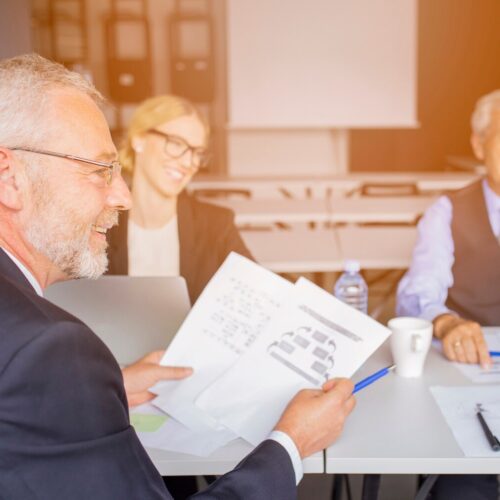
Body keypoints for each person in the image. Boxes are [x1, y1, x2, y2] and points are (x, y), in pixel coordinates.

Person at [0, 53, 356, 499]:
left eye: (197, 152)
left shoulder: (209, 222)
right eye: (97, 170)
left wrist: (106, 387)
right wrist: (291, 443)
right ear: (9, 178)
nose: (121, 197)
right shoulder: (50, 350)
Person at [397, 90, 500, 499]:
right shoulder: (448, 211)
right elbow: (416, 292)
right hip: (466, 377)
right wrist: (447, 321)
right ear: (478, 144)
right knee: (460, 489)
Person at [107, 94, 253, 305]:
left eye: (197, 152)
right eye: (176, 143)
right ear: (139, 139)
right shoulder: (102, 222)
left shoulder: (216, 225)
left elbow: (259, 294)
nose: (188, 162)